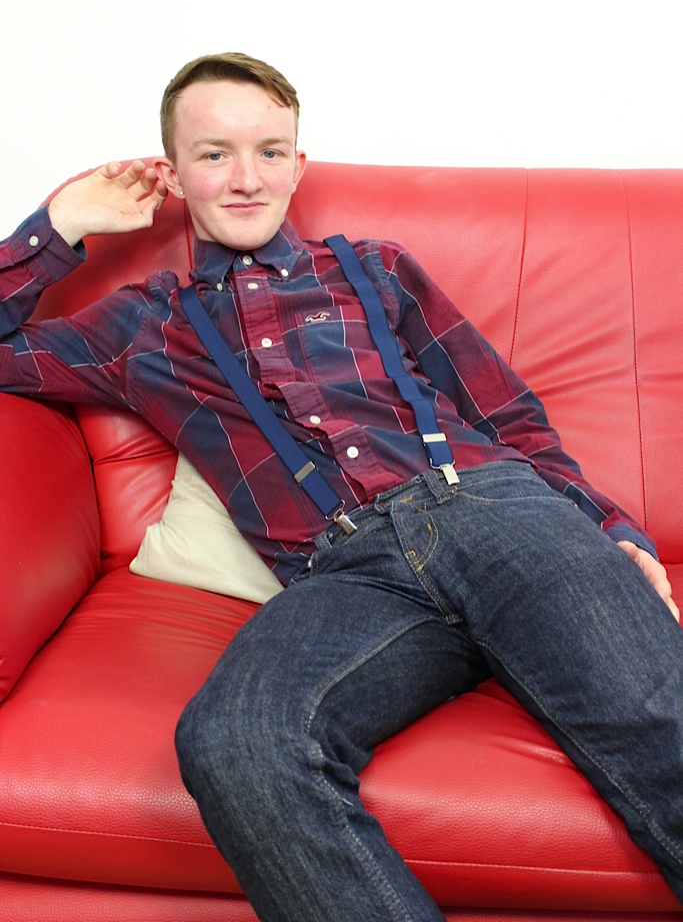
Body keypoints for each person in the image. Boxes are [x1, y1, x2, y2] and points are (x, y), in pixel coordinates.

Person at [1, 52, 682, 921]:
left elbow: (505, 414)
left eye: (269, 152)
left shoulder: (374, 268)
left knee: (662, 727)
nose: (246, 178)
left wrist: (609, 527)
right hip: (349, 574)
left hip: (495, 511)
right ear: (173, 172)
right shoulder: (140, 323)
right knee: (236, 742)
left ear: (298, 164)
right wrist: (61, 223)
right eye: (214, 154)